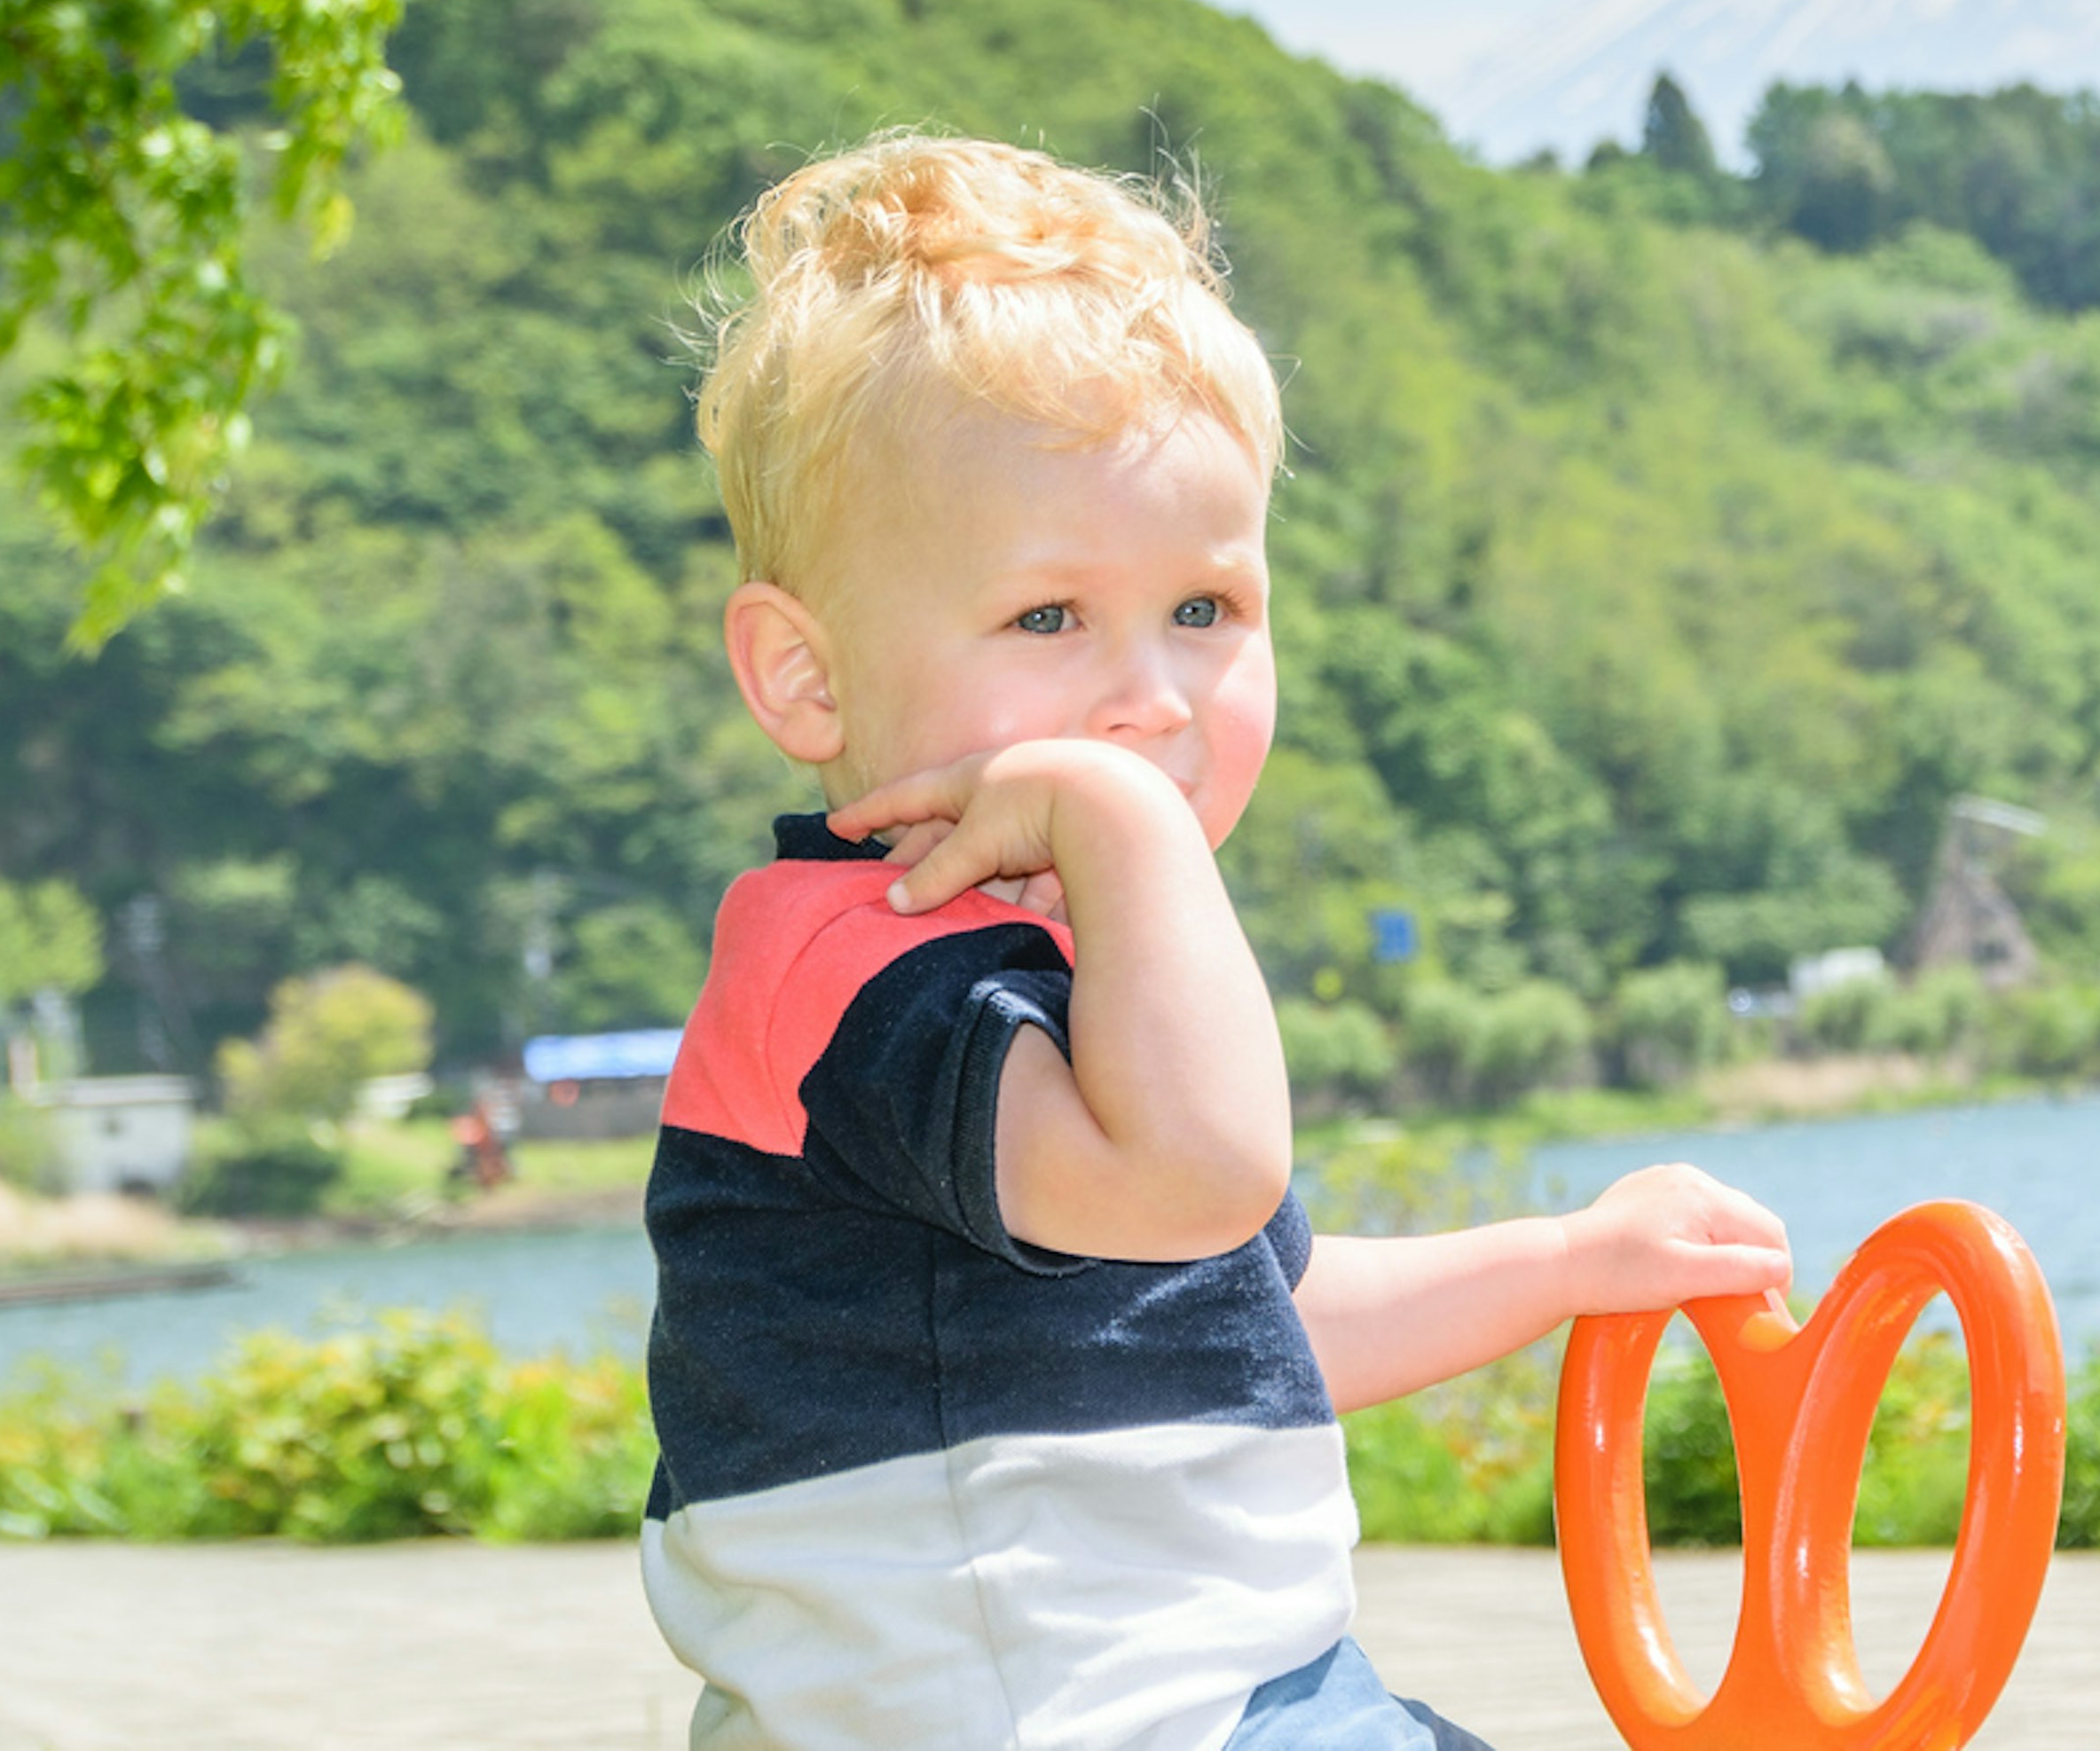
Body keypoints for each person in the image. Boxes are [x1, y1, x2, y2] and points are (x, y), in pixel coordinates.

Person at [643, 135, 1791, 1750]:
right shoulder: (864, 967)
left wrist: (1570, 1260)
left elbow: (1239, 1304)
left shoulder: (1063, 988)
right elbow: (1194, 1185)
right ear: (807, 680)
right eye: (1049, 620)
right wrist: (1126, 826)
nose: (1155, 698)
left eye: (1205, 611)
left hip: (1200, 1696)